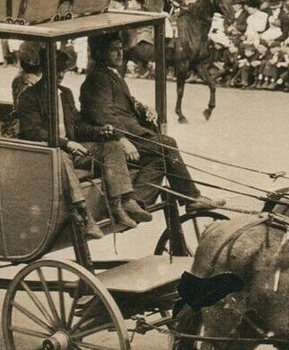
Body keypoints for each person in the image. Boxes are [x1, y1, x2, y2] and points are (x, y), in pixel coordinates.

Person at [79, 33, 225, 213]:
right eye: (113, 50)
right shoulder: (97, 78)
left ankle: (138, 202)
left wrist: (143, 108)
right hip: (118, 137)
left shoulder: (110, 74)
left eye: (120, 49)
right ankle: (191, 197)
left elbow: (125, 102)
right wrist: (122, 139)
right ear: (99, 53)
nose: (120, 54)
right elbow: (102, 114)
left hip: (131, 132)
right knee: (167, 144)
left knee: (162, 161)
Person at [15, 46, 146, 237]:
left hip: (71, 150)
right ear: (44, 70)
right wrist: (66, 144)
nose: (60, 74)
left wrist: (100, 131)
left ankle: (119, 203)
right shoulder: (28, 97)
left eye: (63, 70)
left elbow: (77, 124)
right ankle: (83, 214)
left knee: (112, 147)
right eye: (56, 70)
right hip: (45, 154)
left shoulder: (65, 94)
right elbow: (33, 132)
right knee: (61, 157)